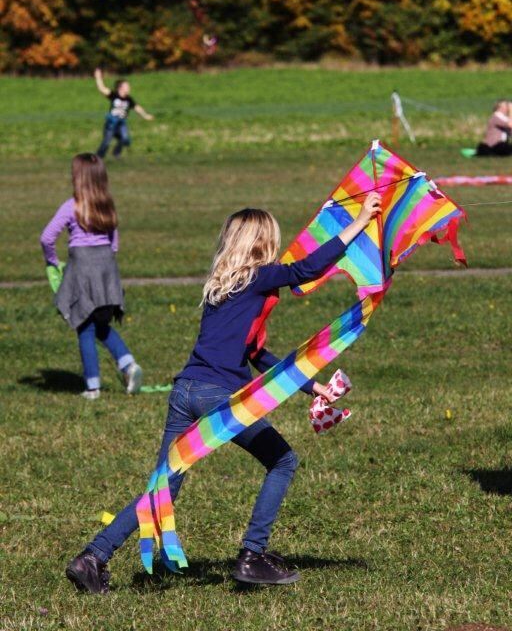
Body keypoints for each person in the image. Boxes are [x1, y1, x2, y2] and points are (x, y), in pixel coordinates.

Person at [65, 193, 381, 592]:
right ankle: (252, 554)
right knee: (283, 461)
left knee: (165, 486)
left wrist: (312, 386)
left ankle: (92, 557)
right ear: (262, 244)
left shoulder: (223, 287)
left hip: (184, 391)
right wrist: (359, 222)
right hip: (217, 397)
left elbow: (257, 355)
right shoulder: (259, 275)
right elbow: (307, 269)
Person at [40, 153, 143, 399]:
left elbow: (46, 238)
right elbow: (114, 244)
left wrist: (52, 261)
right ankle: (128, 364)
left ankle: (93, 387)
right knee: (100, 323)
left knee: (84, 325)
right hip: (106, 269)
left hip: (82, 268)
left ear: (78, 178)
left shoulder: (72, 206)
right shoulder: (107, 205)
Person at [94, 68, 154, 159]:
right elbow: (102, 88)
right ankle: (98, 158)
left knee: (125, 139)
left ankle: (116, 153)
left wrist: (145, 115)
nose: (129, 88)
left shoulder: (129, 99)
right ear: (120, 88)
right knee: (106, 142)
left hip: (121, 123)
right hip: (111, 123)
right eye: (127, 86)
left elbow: (137, 107)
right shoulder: (114, 95)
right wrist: (98, 77)